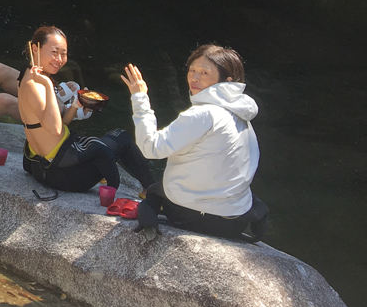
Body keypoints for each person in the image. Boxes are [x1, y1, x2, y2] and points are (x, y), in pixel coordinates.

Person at [122, 44, 267, 242]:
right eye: (192, 70)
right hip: (234, 221)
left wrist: (139, 97)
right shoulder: (241, 115)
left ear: (227, 80)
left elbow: (151, 147)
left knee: (156, 191)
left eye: (204, 72)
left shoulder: (203, 113)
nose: (195, 78)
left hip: (193, 218)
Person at [20, 26, 155, 194]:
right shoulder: (38, 85)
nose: (60, 59)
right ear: (35, 49)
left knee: (102, 144)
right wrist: (48, 85)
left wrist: (76, 105)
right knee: (122, 137)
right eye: (54, 52)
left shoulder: (29, 77)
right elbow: (55, 130)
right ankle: (151, 190)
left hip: (43, 168)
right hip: (67, 176)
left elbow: (57, 126)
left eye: (64, 54)